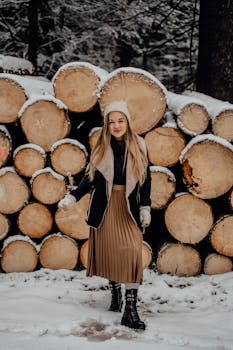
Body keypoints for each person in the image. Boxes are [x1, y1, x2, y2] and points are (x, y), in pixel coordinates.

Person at [58, 100, 151, 330]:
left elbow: (146, 180)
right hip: (106, 207)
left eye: (121, 121)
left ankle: (130, 310)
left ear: (127, 122)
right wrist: (72, 197)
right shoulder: (101, 147)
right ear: (107, 125)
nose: (117, 125)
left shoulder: (139, 146)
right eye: (112, 122)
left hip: (128, 206)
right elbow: (89, 180)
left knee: (131, 254)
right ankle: (115, 294)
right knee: (111, 252)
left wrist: (145, 207)